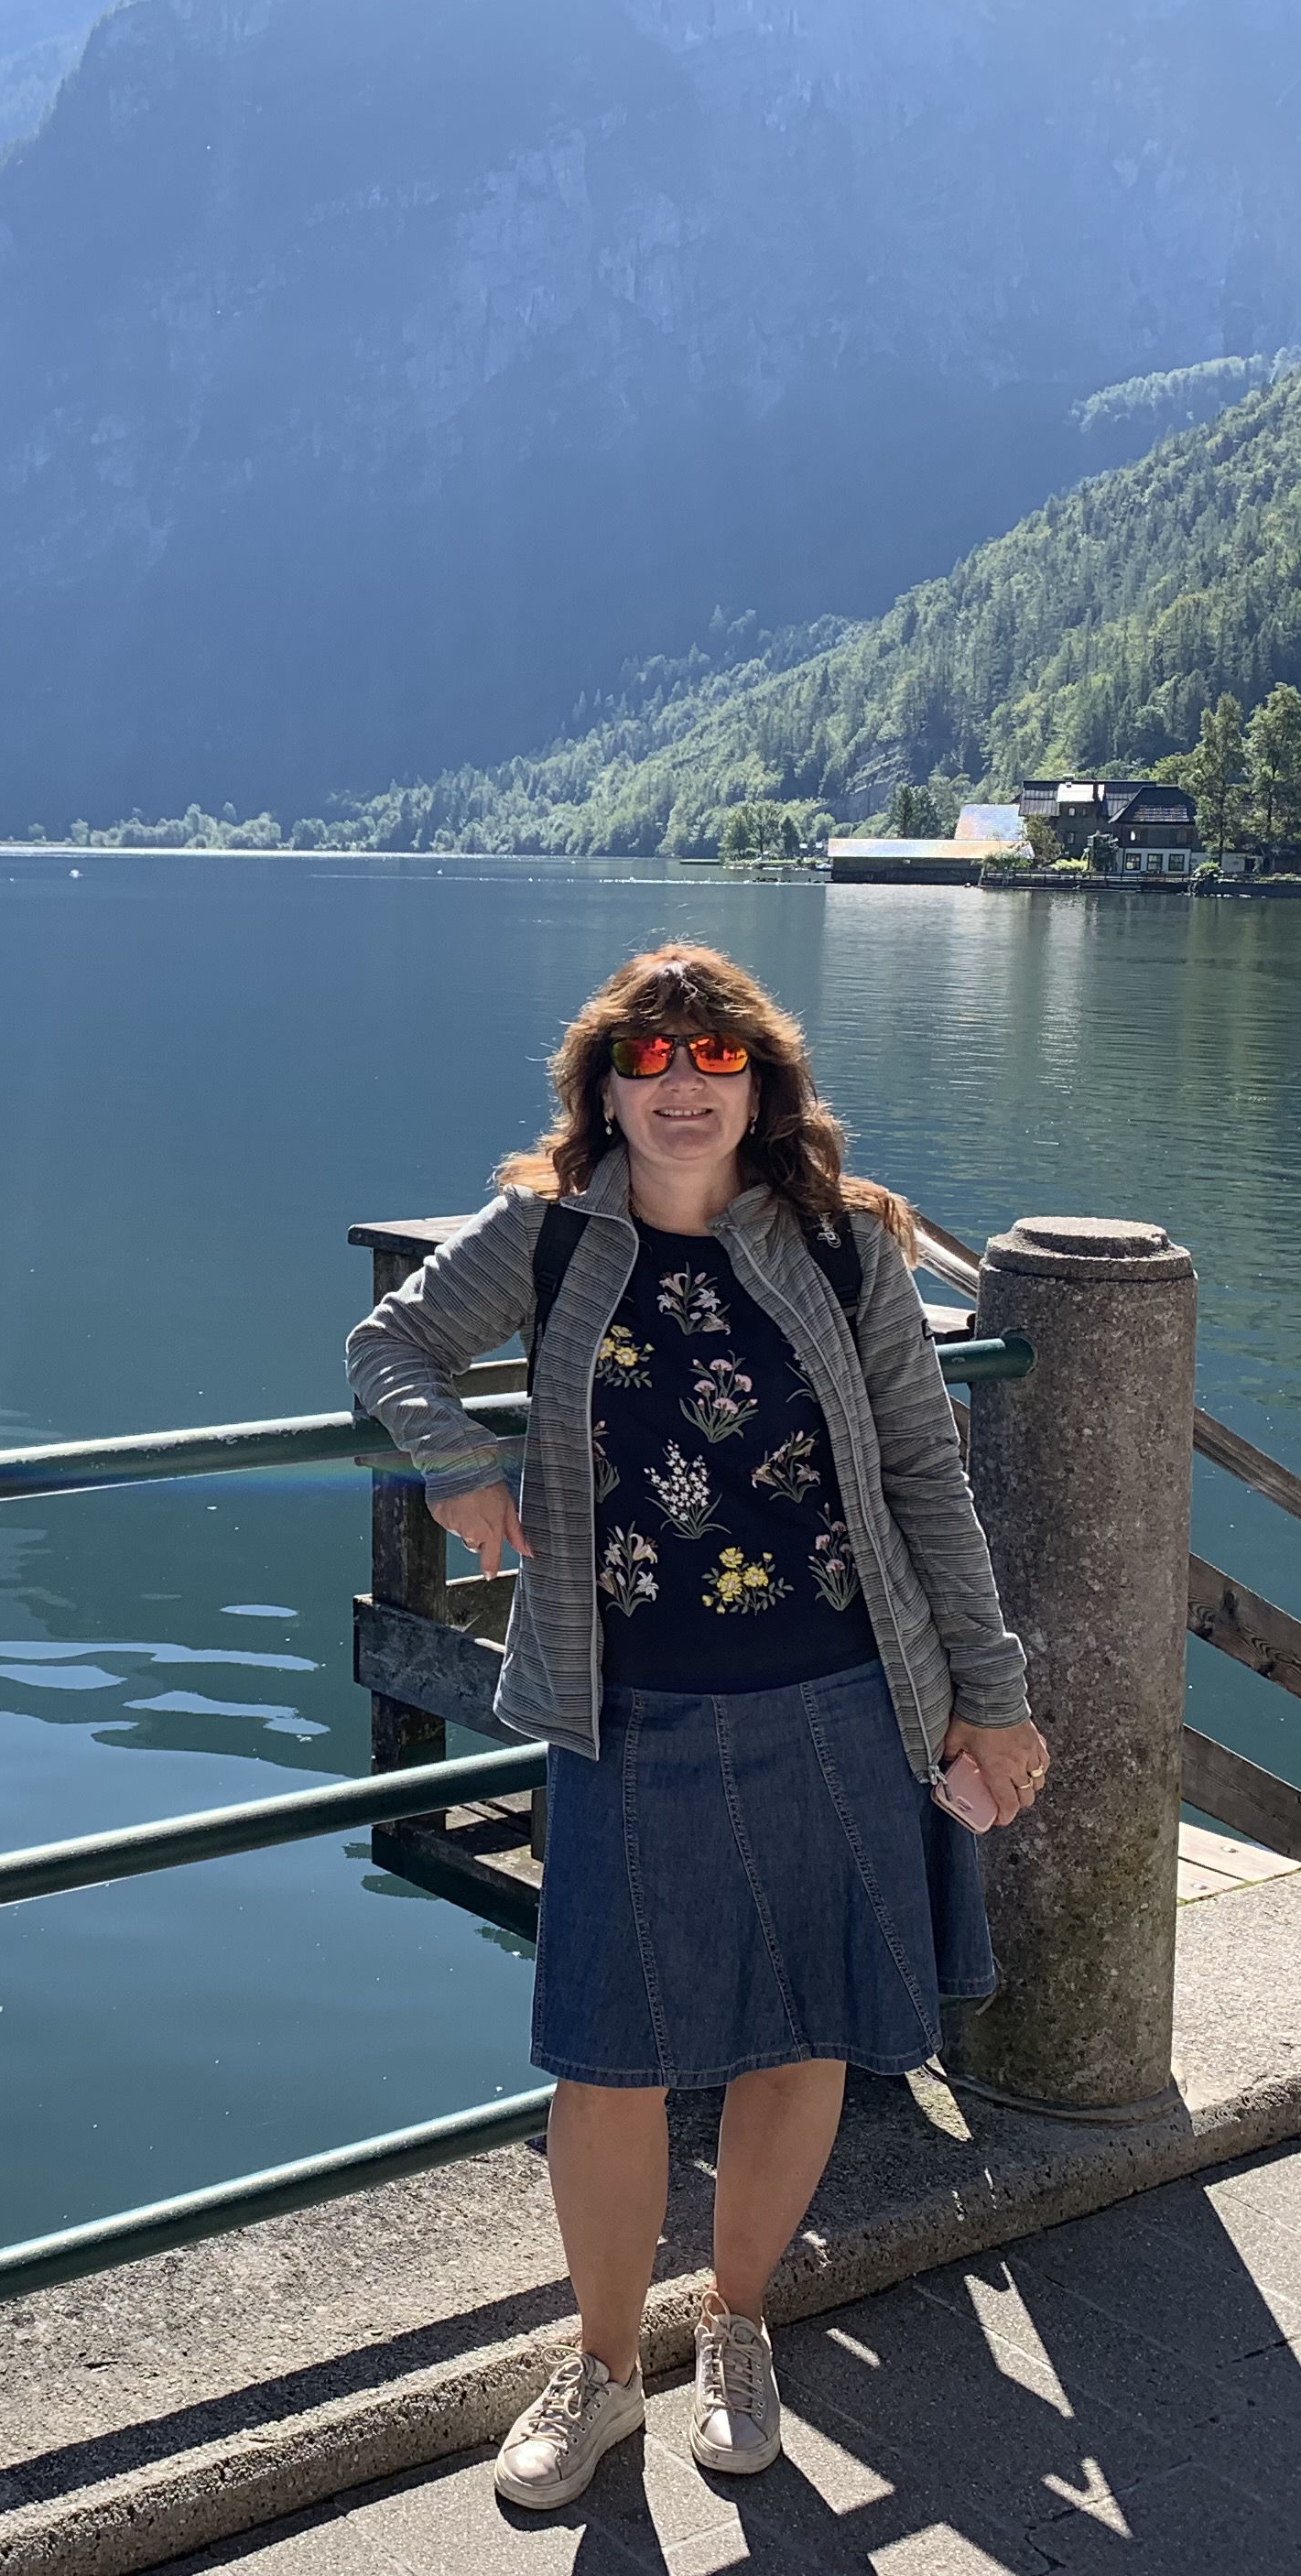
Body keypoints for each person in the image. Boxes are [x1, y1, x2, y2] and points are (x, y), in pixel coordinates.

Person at [346, 942, 1048, 2506]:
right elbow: (388, 1342)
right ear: (601, 1090)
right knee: (607, 2058)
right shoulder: (545, 1233)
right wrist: (453, 1461)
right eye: (647, 1060)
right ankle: (602, 2367)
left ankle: (737, 2321)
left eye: (713, 1056)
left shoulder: (844, 1245)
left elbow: (926, 1478)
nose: (681, 1085)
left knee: (799, 2030)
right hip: (627, 1708)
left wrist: (989, 1698)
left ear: (761, 1081)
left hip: (843, 1694)